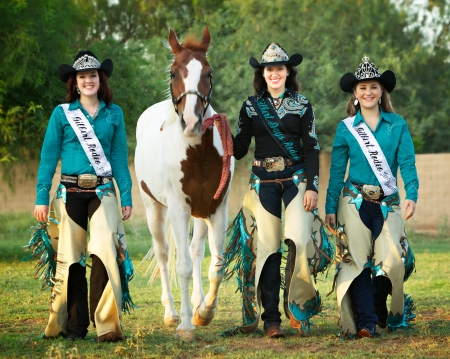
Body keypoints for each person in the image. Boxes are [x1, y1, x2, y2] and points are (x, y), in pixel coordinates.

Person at [223, 43, 331, 339]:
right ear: (262, 73)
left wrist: (313, 187)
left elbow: (312, 148)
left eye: (279, 68)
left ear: (287, 72)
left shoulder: (303, 104)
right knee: (269, 249)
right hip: (263, 182)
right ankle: (271, 320)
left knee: (297, 240)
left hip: (296, 180)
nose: (274, 73)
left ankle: (296, 309)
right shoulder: (250, 106)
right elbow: (241, 148)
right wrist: (218, 131)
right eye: (269, 69)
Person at [33, 50, 135, 342]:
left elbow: (118, 158)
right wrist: (42, 196)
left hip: (102, 192)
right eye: (82, 76)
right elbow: (48, 157)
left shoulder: (114, 113)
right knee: (71, 260)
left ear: (100, 79)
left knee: (104, 253)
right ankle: (74, 326)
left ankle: (106, 325)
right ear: (74, 83)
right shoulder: (62, 114)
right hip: (69, 192)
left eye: (93, 75)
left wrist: (125, 195)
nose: (88, 80)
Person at [325, 56, 418, 338]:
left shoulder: (397, 124)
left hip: (387, 203)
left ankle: (378, 307)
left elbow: (407, 162)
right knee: (356, 263)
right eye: (363, 87)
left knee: (393, 262)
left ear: (381, 92)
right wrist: (330, 206)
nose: (368, 92)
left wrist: (411, 193)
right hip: (354, 202)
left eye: (374, 87)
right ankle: (366, 322)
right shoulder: (346, 128)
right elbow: (337, 170)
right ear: (355, 93)